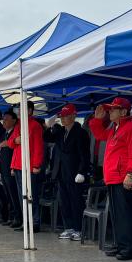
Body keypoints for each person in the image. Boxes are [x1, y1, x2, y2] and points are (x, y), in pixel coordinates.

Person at [89, 97, 132, 260]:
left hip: (123, 177)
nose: (110, 112)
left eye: (113, 109)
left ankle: (128, 248)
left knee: (124, 214)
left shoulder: (131, 128)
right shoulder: (116, 128)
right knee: (116, 214)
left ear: (123, 112)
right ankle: (120, 244)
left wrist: (130, 174)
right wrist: (97, 120)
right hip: (114, 177)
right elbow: (100, 135)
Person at [45, 103, 91, 241]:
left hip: (75, 172)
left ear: (73, 116)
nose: (63, 119)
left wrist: (82, 171)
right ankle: (69, 227)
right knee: (64, 201)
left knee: (76, 201)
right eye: (62, 116)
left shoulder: (81, 132)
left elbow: (85, 154)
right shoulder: (61, 132)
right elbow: (47, 138)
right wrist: (48, 127)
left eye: (66, 116)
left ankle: (79, 229)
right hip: (61, 172)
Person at [7, 101, 45, 233]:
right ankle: (26, 221)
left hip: (29, 166)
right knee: (21, 195)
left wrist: (36, 165)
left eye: (21, 109)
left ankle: (34, 222)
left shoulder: (35, 125)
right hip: (18, 165)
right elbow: (11, 143)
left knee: (31, 195)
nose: (18, 112)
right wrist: (15, 141)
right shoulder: (18, 125)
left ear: (29, 111)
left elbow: (39, 147)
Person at [0, 110, 21, 227]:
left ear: (14, 120)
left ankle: (18, 218)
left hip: (12, 168)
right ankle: (12, 216)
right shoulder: (5, 133)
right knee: (8, 194)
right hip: (4, 168)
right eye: (3, 119)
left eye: (6, 119)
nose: (4, 121)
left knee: (14, 194)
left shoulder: (15, 132)